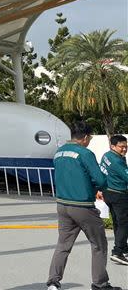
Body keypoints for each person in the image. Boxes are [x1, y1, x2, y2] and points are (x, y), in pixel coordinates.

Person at [47, 121, 122, 290]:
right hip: (82, 206)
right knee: (99, 245)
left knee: (63, 245)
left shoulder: (59, 153)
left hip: (62, 205)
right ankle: (100, 284)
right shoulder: (85, 153)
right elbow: (101, 180)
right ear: (86, 137)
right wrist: (97, 188)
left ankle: (53, 282)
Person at [100, 134, 128, 265]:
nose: (124, 149)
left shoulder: (106, 155)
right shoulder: (117, 161)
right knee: (124, 223)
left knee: (117, 221)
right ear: (113, 146)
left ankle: (123, 247)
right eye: (121, 147)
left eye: (126, 147)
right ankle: (117, 252)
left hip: (108, 193)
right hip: (118, 194)